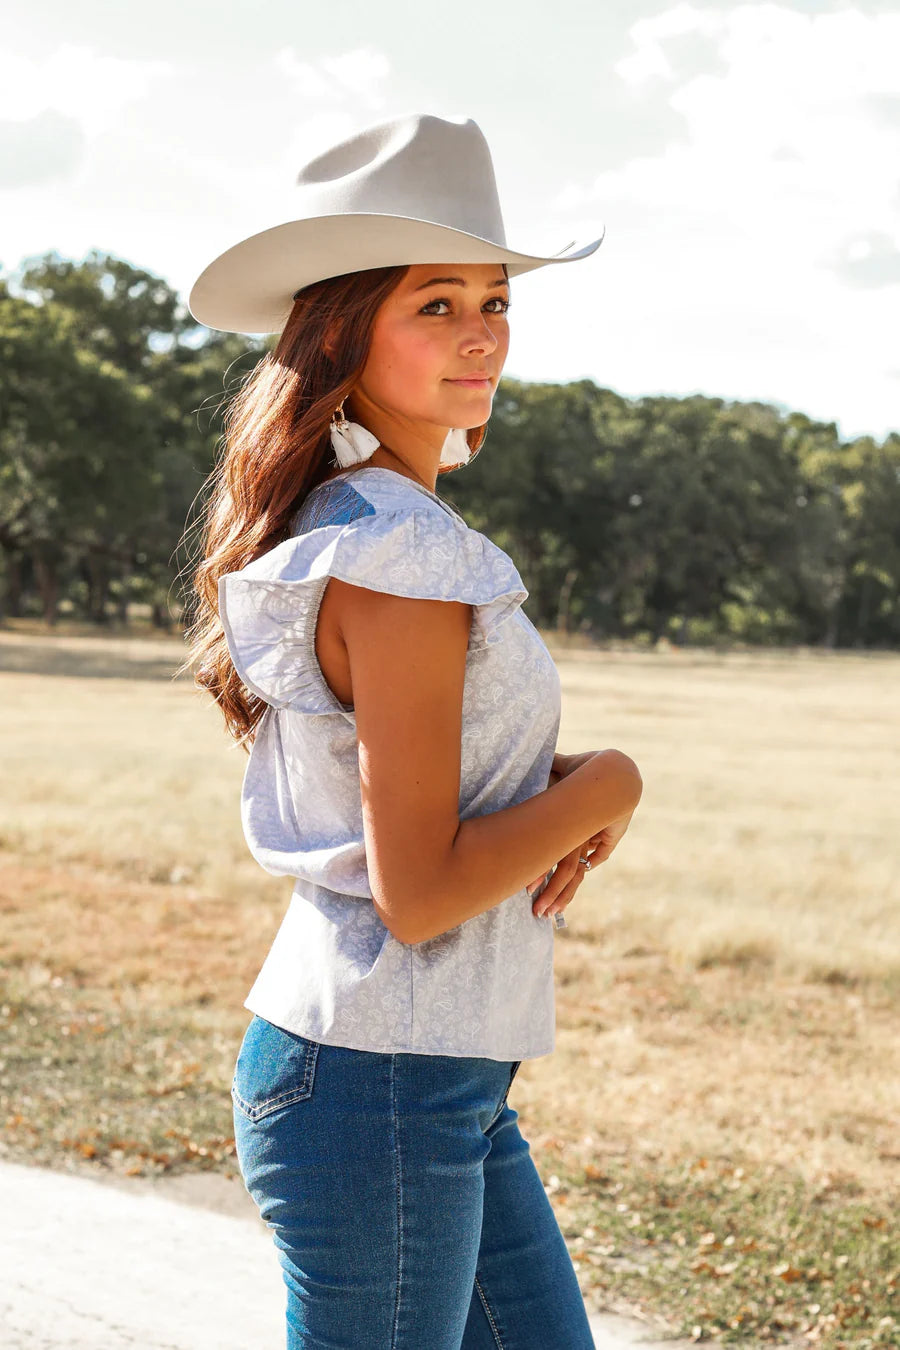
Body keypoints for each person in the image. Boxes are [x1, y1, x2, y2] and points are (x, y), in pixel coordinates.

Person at [184, 112, 643, 1350]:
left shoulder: (373, 524)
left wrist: (552, 785)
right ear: (343, 328)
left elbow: (426, 793)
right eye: (435, 304)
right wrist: (608, 781)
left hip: (433, 1082)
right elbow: (423, 891)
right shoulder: (399, 552)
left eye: (495, 300)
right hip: (379, 1084)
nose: (484, 331)